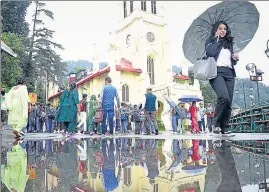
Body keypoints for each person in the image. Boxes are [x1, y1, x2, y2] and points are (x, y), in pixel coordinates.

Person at [205, 21, 238, 135]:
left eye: (224, 28)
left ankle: (225, 127)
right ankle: (216, 124)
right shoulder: (211, 42)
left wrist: (235, 58)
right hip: (216, 73)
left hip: (229, 73)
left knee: (228, 101)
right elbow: (210, 52)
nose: (223, 30)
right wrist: (217, 40)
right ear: (216, 30)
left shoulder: (229, 43)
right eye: (220, 28)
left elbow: (231, 61)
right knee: (223, 97)